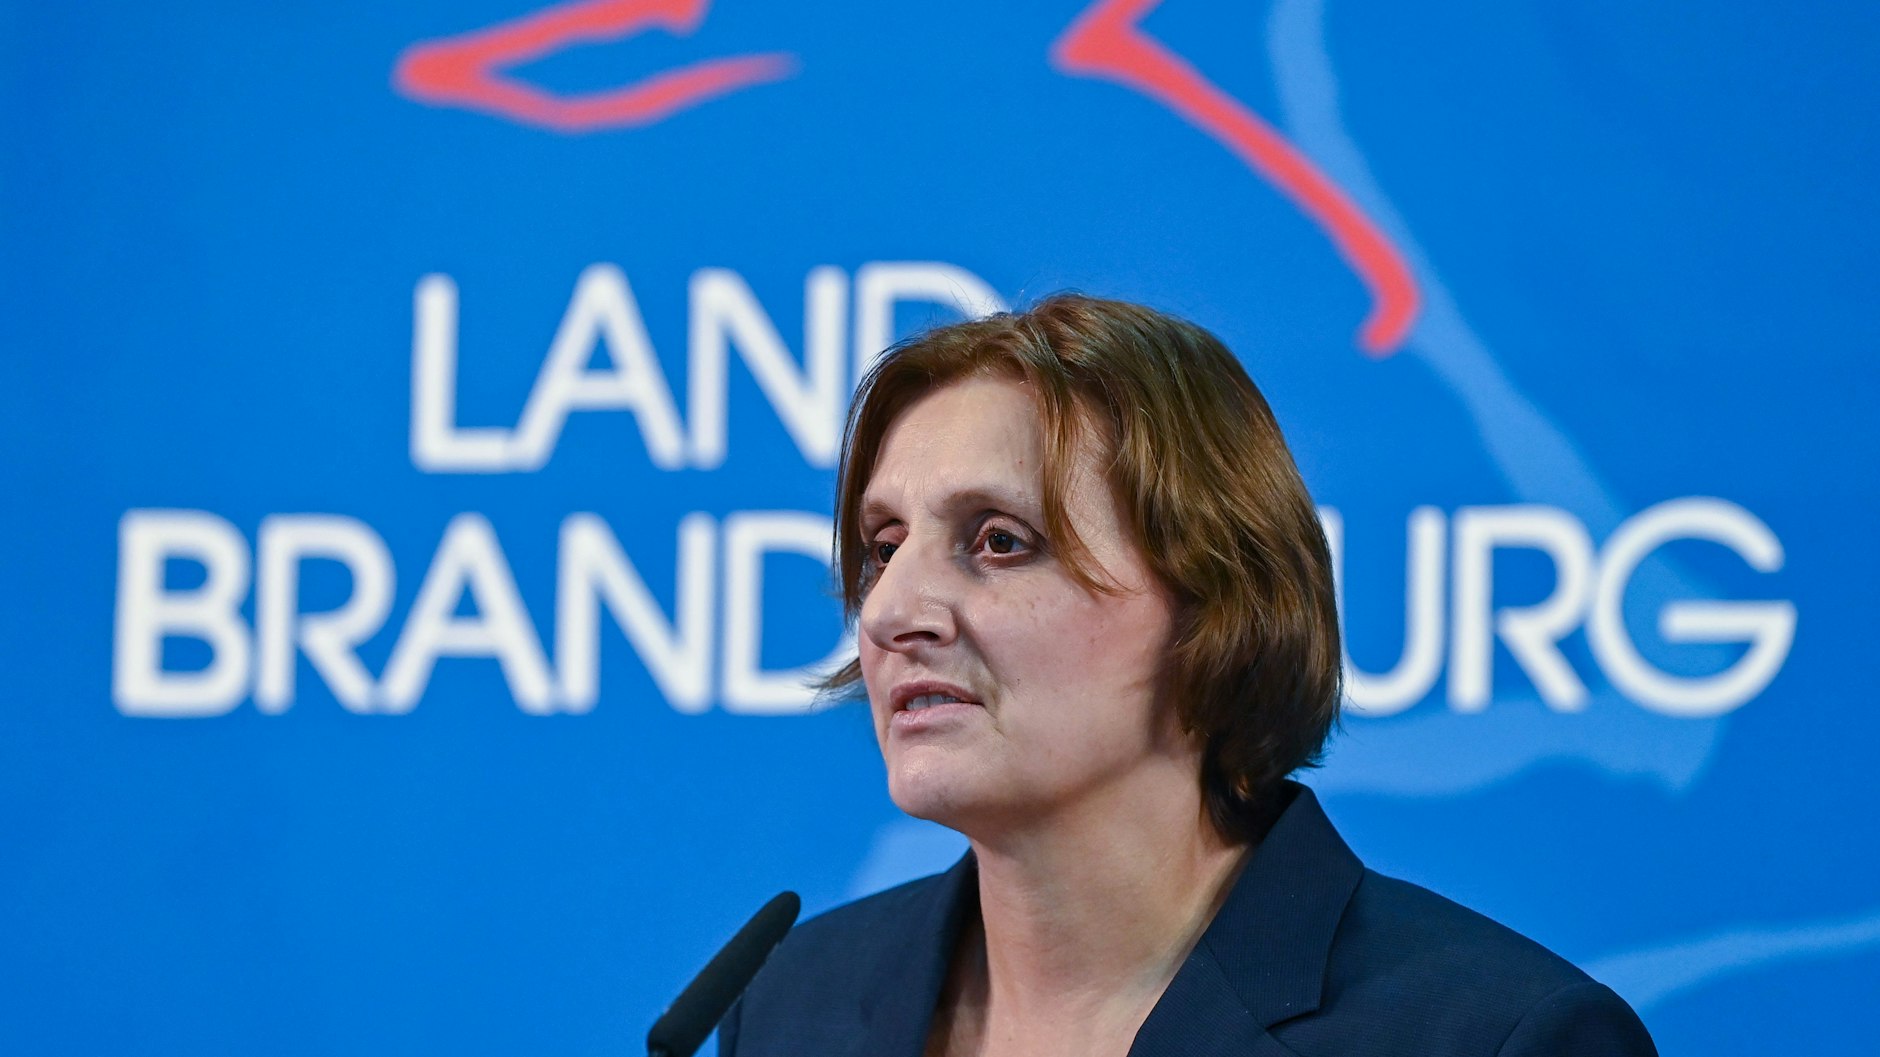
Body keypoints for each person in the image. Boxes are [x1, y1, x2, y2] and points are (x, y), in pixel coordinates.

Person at [718, 296, 1656, 1057]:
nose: (889, 612)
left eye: (999, 541)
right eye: (885, 547)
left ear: (1213, 603)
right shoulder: (790, 1006)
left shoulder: (1492, 1039)